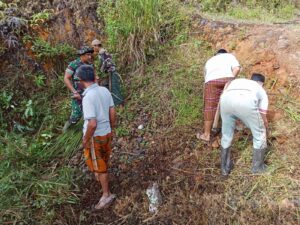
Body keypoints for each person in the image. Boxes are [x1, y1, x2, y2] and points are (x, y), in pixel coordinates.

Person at [77, 64, 116, 209]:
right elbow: (112, 111)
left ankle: (106, 195)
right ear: (94, 76)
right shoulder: (104, 90)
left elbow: (92, 124)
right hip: (106, 132)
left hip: (95, 137)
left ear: (81, 80)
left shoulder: (88, 97)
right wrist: (111, 128)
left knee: (100, 167)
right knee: (103, 159)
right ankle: (101, 178)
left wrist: (86, 139)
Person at [220, 73, 269, 175]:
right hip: (246, 101)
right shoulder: (261, 90)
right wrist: (266, 127)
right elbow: (262, 116)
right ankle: (257, 168)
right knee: (260, 134)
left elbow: (230, 99)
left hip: (224, 100)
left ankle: (224, 167)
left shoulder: (238, 82)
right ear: (261, 83)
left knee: (226, 134)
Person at [197, 49, 241, 142]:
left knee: (209, 107)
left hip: (211, 81)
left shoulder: (210, 60)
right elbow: (237, 68)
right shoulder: (230, 56)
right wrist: (230, 80)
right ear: (225, 53)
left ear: (216, 54)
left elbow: (205, 75)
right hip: (227, 78)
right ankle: (238, 126)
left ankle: (206, 134)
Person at [63, 46, 94, 132]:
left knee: (89, 114)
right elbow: (66, 78)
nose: (90, 57)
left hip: (89, 94)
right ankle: (66, 131)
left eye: (90, 55)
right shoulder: (74, 64)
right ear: (82, 55)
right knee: (76, 116)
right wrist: (74, 92)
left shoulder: (90, 65)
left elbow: (94, 78)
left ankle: (85, 132)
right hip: (78, 95)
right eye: (88, 55)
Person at [92, 39, 124, 106]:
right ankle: (117, 104)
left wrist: (101, 71)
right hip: (109, 72)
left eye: (93, 47)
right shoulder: (102, 53)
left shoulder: (103, 52)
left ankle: (120, 105)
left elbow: (106, 64)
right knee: (112, 88)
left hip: (112, 72)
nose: (93, 48)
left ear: (97, 45)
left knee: (115, 88)